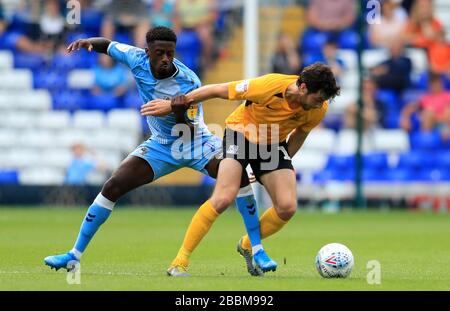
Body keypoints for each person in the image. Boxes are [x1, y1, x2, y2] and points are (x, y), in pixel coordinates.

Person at [44, 26, 276, 277]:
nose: (166, 58)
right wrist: (88, 42)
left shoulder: (189, 81)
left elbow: (186, 128)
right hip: (162, 144)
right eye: (160, 53)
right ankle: (74, 256)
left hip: (195, 142)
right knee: (112, 186)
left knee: (238, 175)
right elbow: (108, 45)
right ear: (147, 52)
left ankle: (256, 249)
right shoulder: (136, 58)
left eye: (170, 53)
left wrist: (177, 109)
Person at [141, 62, 340, 274]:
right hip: (240, 134)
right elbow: (217, 89)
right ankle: (180, 262)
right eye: (318, 99)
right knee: (223, 197)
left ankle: (247, 244)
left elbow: (300, 134)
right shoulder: (268, 86)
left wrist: (276, 166)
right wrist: (172, 105)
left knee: (287, 207)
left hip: (272, 145)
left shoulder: (319, 109)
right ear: (303, 88)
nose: (320, 105)